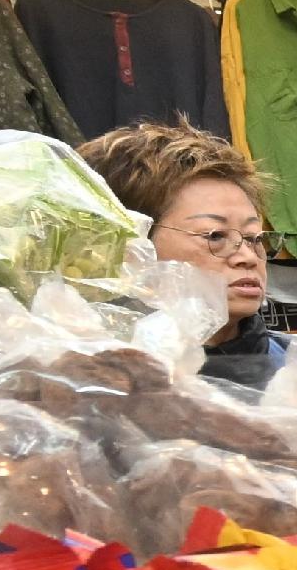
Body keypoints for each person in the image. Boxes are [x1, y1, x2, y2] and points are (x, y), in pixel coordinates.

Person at [77, 119, 282, 387]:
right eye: (215, 236)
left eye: (255, 238)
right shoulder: (74, 380)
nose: (248, 257)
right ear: (131, 248)